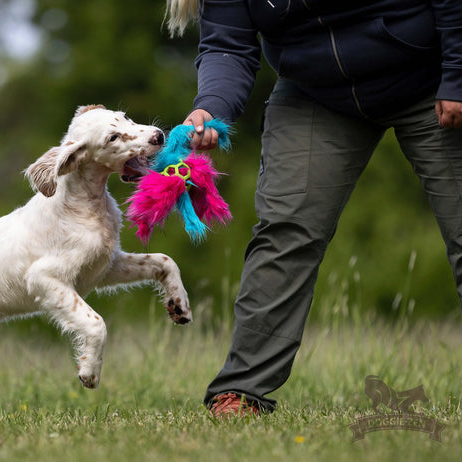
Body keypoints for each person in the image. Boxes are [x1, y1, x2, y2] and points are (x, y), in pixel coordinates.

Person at [164, 0, 462, 417]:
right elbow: (227, 46)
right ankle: (242, 392)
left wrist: (457, 77)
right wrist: (208, 107)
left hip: (430, 76)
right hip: (316, 92)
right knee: (285, 230)